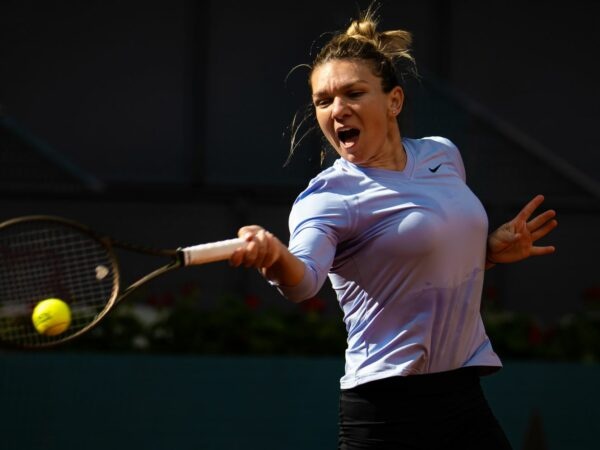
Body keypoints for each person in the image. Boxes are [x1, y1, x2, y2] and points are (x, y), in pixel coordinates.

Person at [229, 7, 558, 450]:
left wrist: (490, 250)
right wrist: (275, 258)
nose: (337, 109)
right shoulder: (327, 198)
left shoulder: (442, 155)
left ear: (394, 101)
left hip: (463, 397)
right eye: (323, 101)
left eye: (353, 93)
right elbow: (304, 282)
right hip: (386, 411)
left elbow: (421, 253)